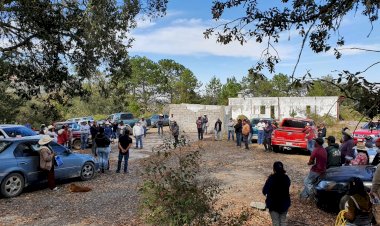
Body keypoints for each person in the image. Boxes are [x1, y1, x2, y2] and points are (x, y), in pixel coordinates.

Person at [263, 161, 291, 226]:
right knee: (283, 222)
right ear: (282, 169)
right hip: (284, 204)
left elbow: (264, 191)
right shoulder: (286, 178)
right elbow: (288, 185)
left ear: (274, 169)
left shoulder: (271, 178)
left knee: (276, 223)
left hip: (273, 205)